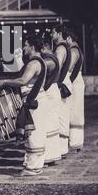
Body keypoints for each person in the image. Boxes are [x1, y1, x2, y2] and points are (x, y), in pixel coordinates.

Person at [0, 35, 48, 176]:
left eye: (26, 45)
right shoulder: (41, 61)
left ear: (32, 47)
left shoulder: (34, 63)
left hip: (34, 101)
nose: (24, 47)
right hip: (38, 99)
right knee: (33, 134)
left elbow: (23, 80)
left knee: (33, 135)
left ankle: (33, 168)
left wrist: (5, 82)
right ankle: (32, 165)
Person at [51, 25, 72, 158]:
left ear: (59, 33)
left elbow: (56, 67)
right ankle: (62, 148)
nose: (51, 35)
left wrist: (54, 83)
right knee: (63, 115)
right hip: (65, 81)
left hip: (61, 82)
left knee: (60, 116)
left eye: (53, 32)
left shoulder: (60, 48)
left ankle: (61, 149)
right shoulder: (66, 47)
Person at [41, 36, 62, 165]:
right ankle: (53, 155)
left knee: (48, 124)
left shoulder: (48, 60)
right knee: (52, 124)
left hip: (50, 92)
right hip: (54, 90)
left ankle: (49, 156)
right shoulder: (54, 57)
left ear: (44, 47)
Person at [67, 29, 85, 152]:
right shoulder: (76, 49)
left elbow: (69, 67)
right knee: (75, 110)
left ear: (69, 38)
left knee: (75, 111)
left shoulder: (74, 50)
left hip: (75, 81)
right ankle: (76, 141)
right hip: (77, 80)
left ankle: (75, 142)